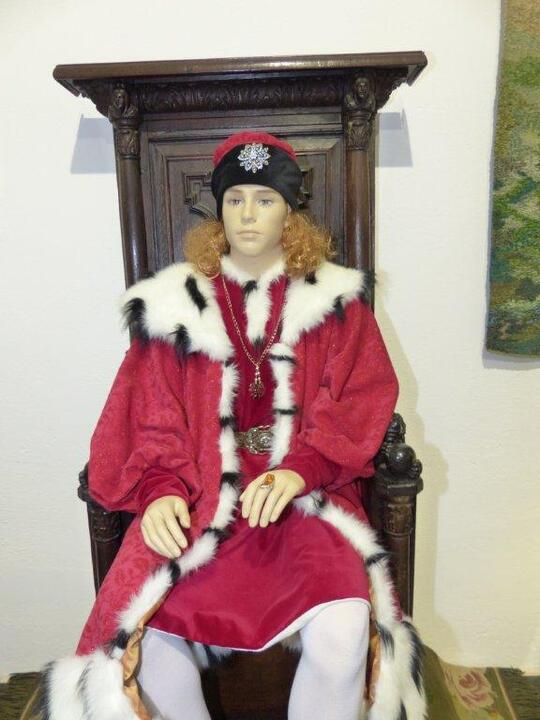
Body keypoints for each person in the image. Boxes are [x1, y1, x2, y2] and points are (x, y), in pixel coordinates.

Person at [35, 131, 426, 720]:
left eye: (265, 199)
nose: (247, 213)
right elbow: (150, 414)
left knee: (345, 626)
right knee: (149, 634)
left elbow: (360, 401)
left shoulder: (338, 304)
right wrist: (160, 489)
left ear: (289, 211)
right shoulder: (174, 309)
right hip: (201, 493)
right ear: (217, 208)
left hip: (307, 500)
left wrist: (302, 469)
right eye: (235, 198)